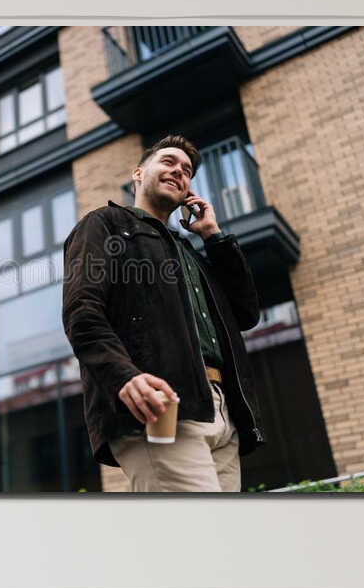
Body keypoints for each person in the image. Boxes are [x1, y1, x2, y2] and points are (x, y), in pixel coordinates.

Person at [60, 135, 265, 492]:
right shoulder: (104, 224)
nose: (179, 172)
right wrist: (123, 376)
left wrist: (214, 237)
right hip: (159, 405)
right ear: (139, 173)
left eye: (187, 171)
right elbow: (82, 310)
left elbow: (246, 313)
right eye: (168, 162)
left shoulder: (191, 252)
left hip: (220, 410)